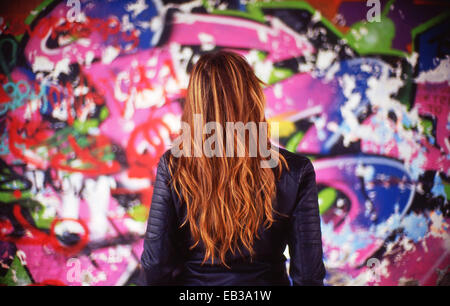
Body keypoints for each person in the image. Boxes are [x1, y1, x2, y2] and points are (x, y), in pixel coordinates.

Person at [140, 50, 326, 286]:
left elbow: (155, 265)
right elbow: (309, 276)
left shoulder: (175, 165)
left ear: (196, 103)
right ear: (253, 97)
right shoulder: (295, 170)